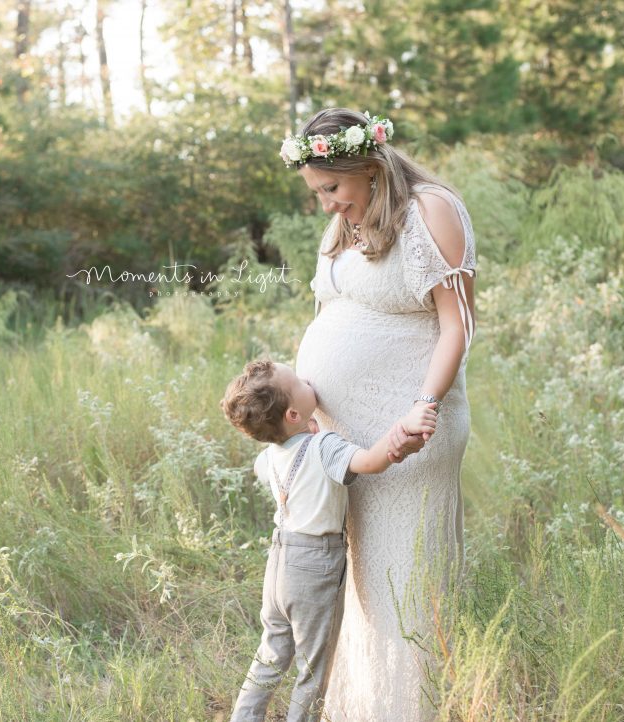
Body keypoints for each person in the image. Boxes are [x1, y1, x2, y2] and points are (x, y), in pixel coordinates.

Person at [279, 108, 477, 721]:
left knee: (404, 590)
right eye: (315, 194)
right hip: (341, 444)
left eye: (331, 189)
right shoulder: (345, 222)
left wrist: (426, 404)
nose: (326, 206)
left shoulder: (430, 210)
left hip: (406, 433)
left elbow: (458, 323)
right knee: (359, 590)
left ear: (367, 165)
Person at [220, 359, 438, 722]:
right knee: (313, 668)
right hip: (313, 567)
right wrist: (401, 434)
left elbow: (276, 469)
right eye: (300, 382)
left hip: (279, 563)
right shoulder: (325, 446)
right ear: (293, 414)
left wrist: (304, 436)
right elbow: (369, 461)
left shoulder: (270, 456)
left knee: (271, 656)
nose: (308, 380)